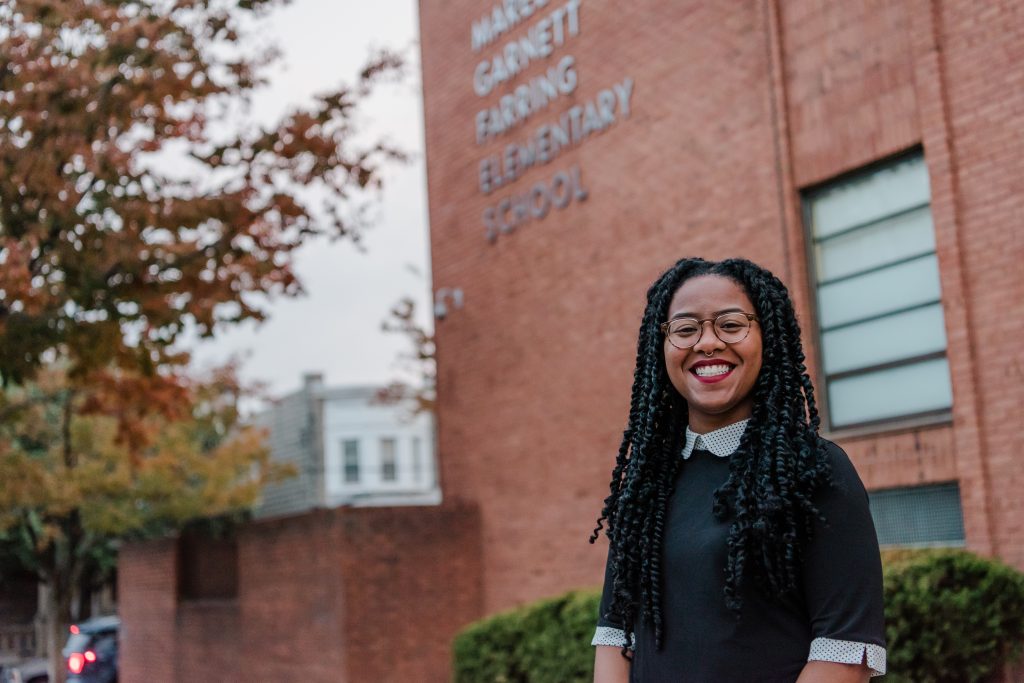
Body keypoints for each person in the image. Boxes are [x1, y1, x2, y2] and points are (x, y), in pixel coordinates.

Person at [590, 258, 886, 683]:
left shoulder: (815, 469)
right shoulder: (645, 486)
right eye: (686, 329)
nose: (707, 343)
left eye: (730, 325)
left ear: (768, 337)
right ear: (662, 344)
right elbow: (614, 633)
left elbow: (844, 649)